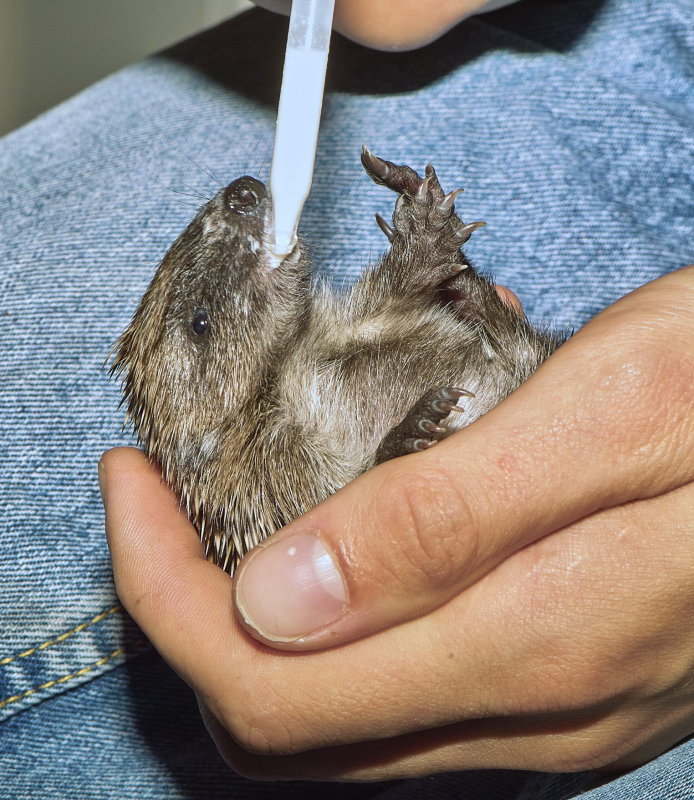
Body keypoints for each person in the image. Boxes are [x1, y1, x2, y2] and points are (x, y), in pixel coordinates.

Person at [1, 0, 691, 797]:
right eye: (201, 320)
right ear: (201, 433)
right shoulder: (257, 462)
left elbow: (376, 324)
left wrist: (416, 267)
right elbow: (378, 355)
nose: (232, 210)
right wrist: (399, 442)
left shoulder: (275, 381)